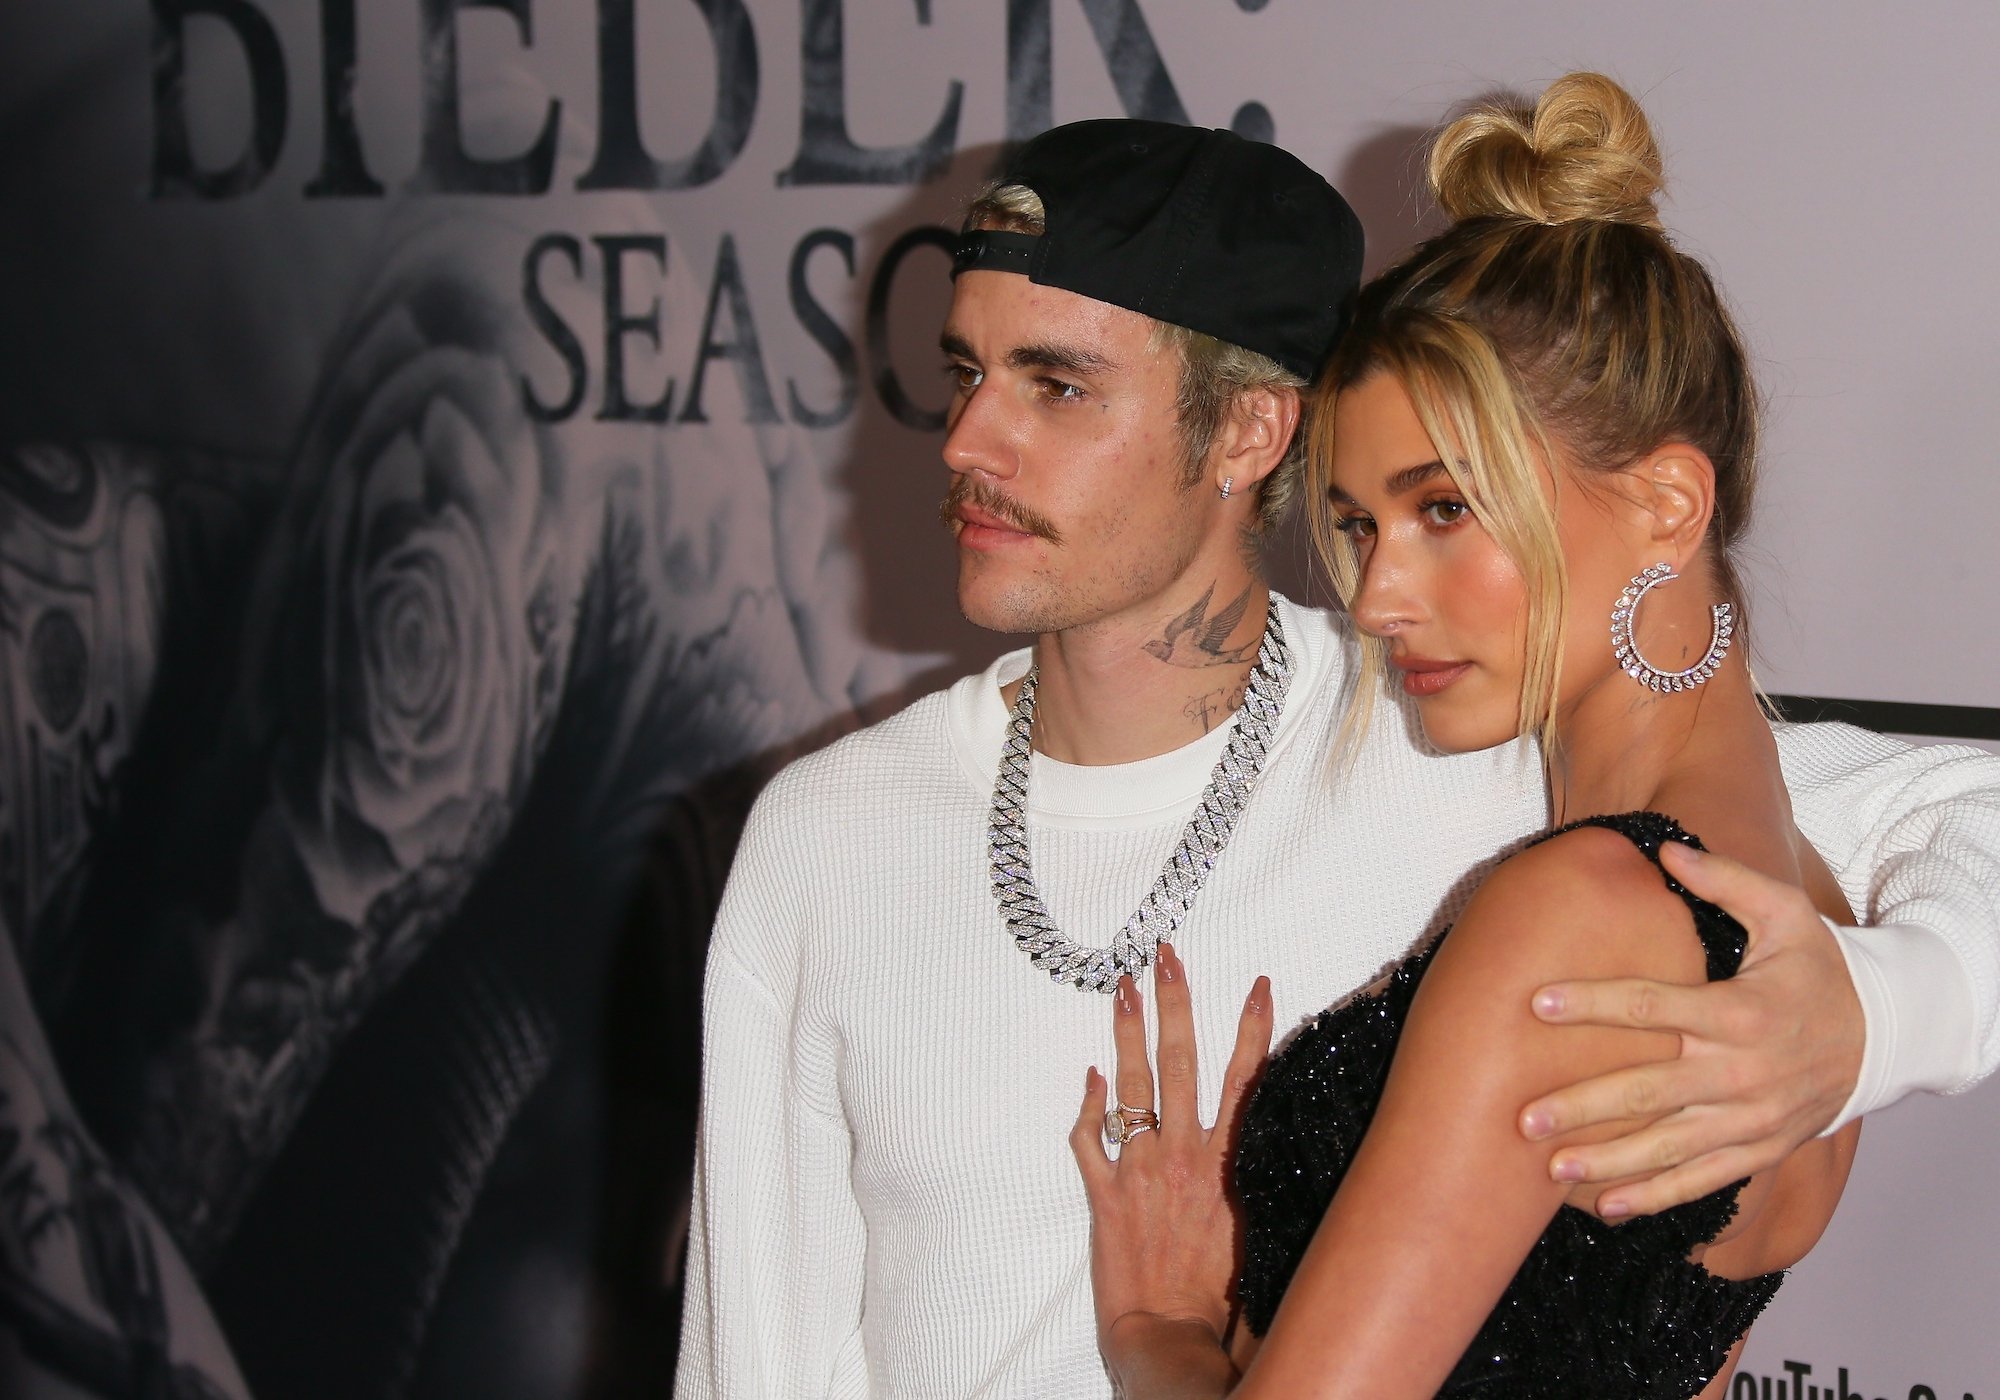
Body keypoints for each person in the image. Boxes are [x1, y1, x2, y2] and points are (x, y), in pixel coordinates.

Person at [674, 114, 2000, 1399]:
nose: (965, 442)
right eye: (963, 372)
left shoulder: (1470, 745)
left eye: (1058, 384)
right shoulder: (825, 833)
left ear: (1250, 431)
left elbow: (1946, 809)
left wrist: (1882, 1011)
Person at [1071, 73, 1897, 1397]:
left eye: (1444, 509)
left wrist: (1163, 1341)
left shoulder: (1581, 912)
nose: (1382, 594)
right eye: (1355, 524)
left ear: (1667, 507)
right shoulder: (1806, 903)